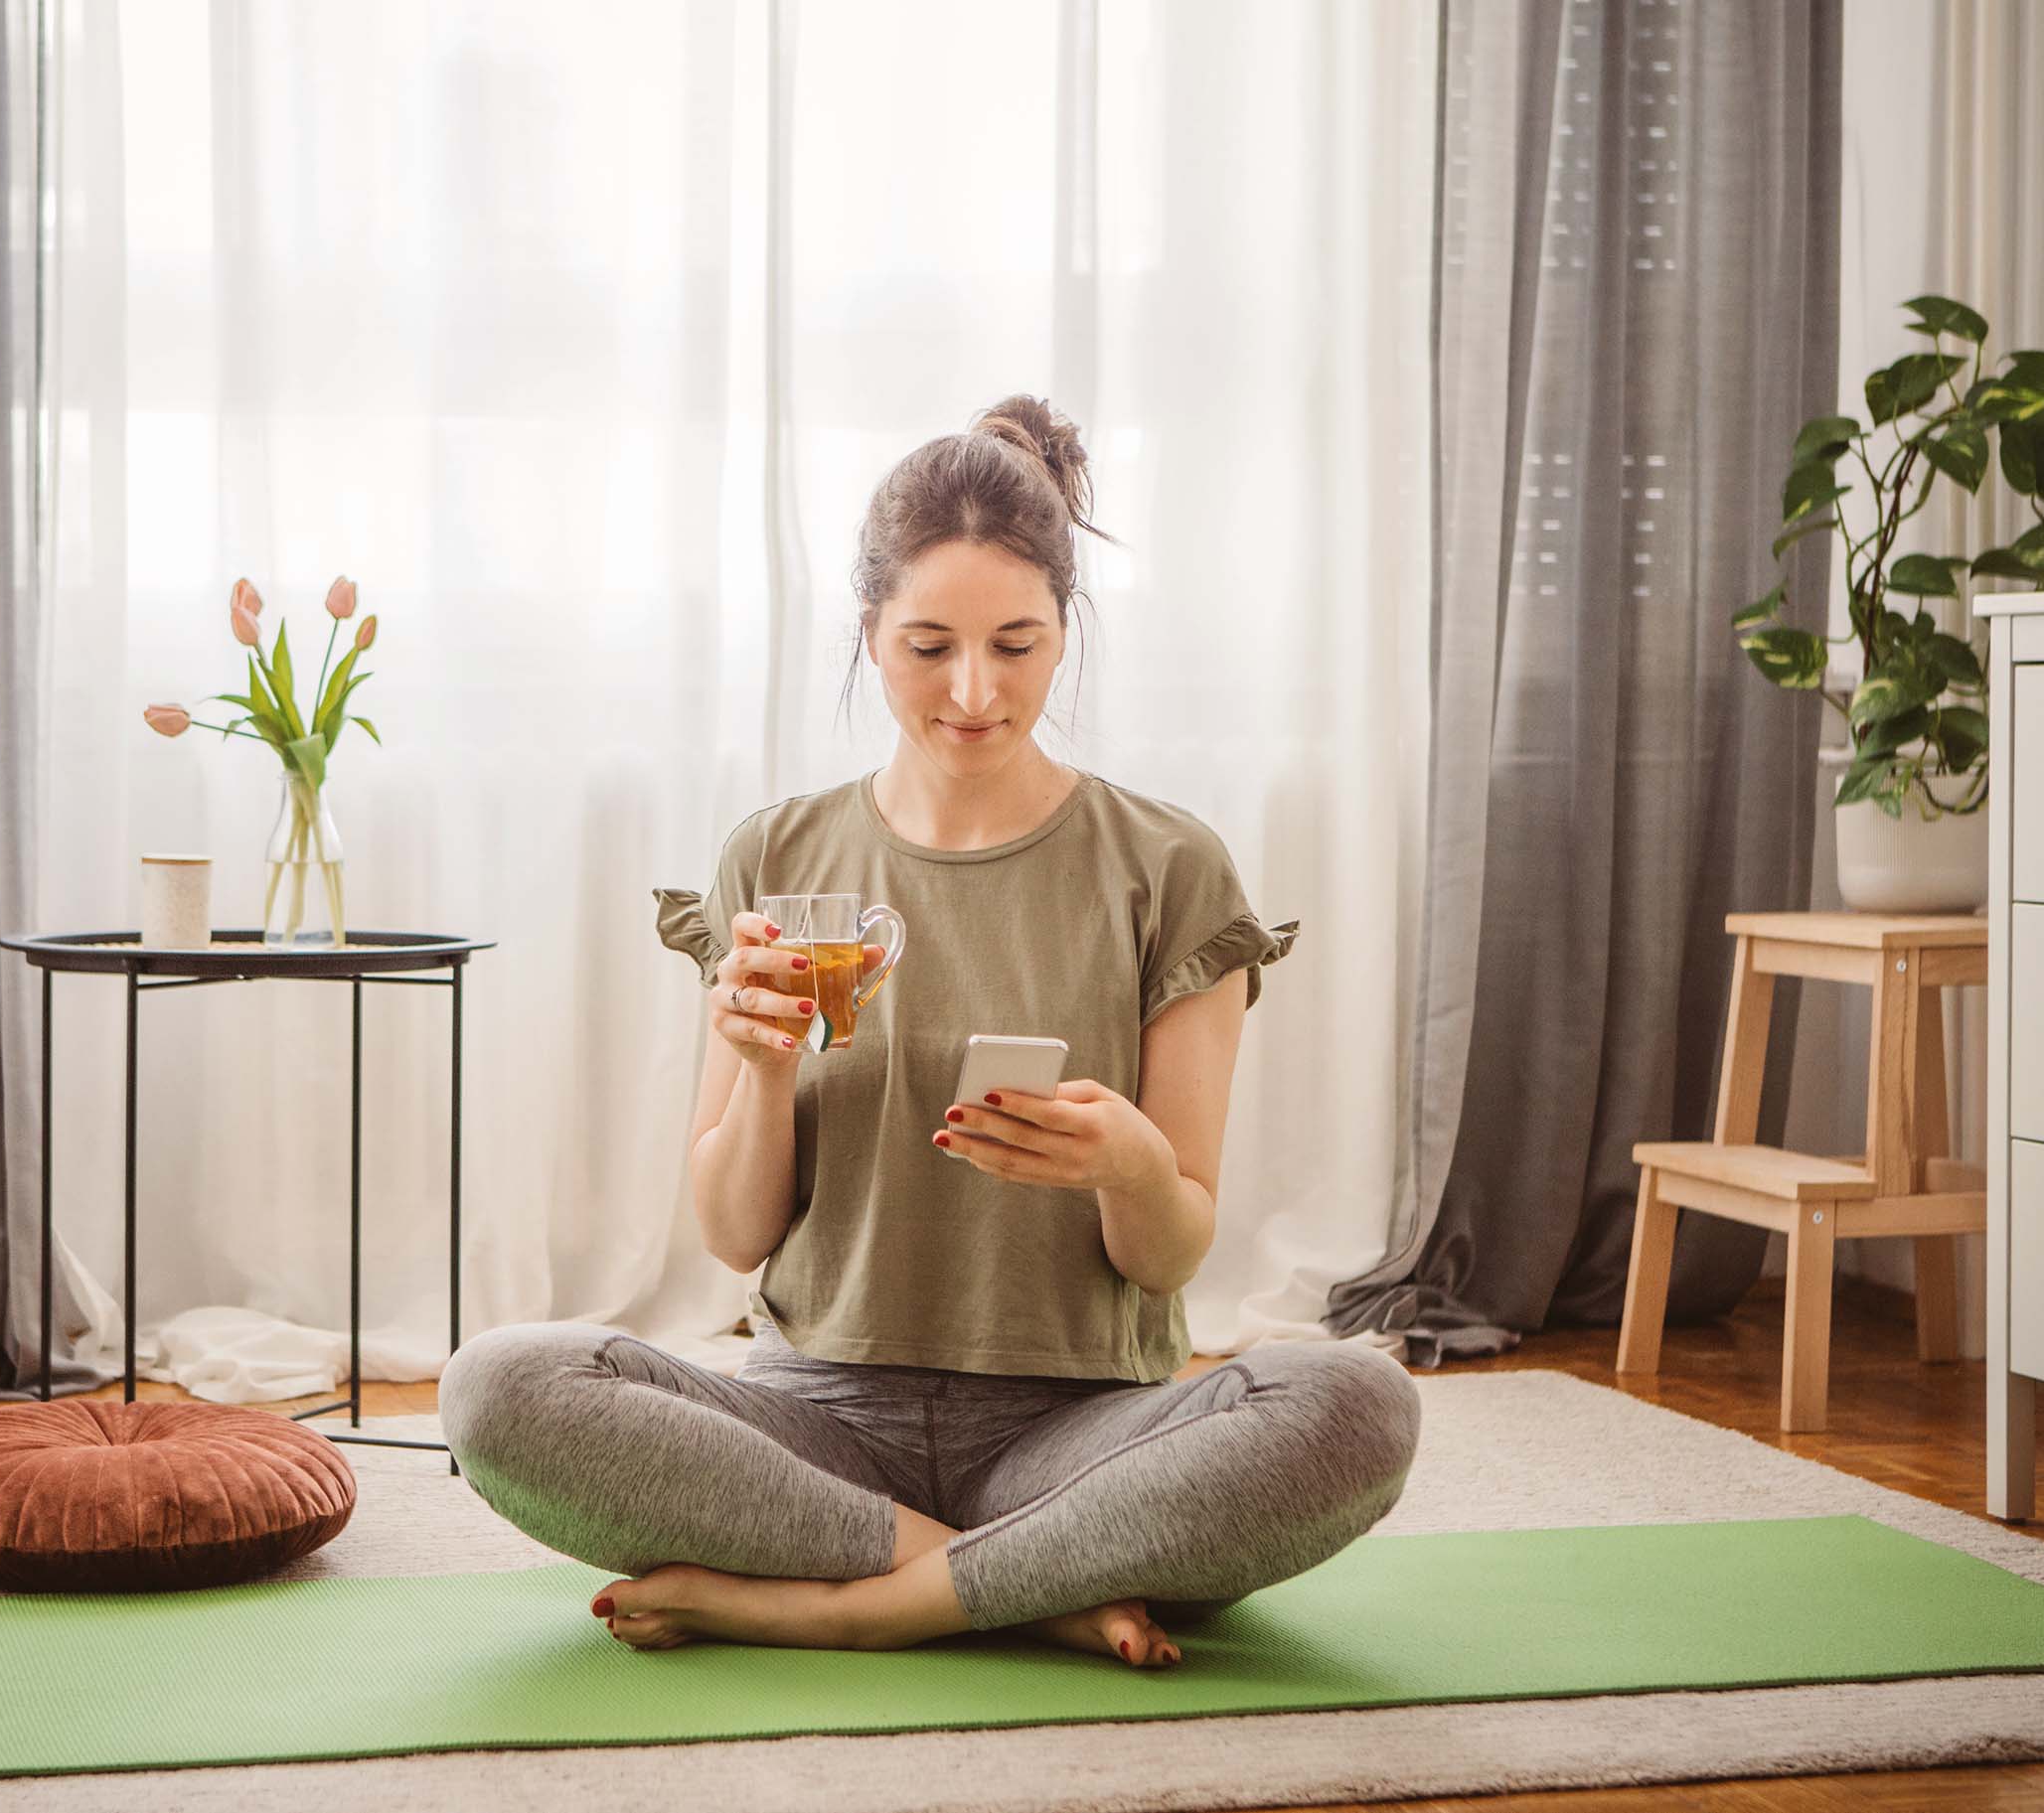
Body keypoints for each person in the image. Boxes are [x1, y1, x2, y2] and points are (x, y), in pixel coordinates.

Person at [437, 394, 1419, 1670]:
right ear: (868, 633)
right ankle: (1030, 1583)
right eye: (928, 646)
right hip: (817, 1421)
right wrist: (759, 1059)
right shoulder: (777, 856)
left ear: (1067, 634)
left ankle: (846, 1596)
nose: (973, 691)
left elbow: (1174, 1248)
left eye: (1017, 644)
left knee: (1358, 1403)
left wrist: (1127, 1161)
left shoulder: (1170, 867)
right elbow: (736, 1234)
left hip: (1078, 1435)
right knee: (498, 1388)